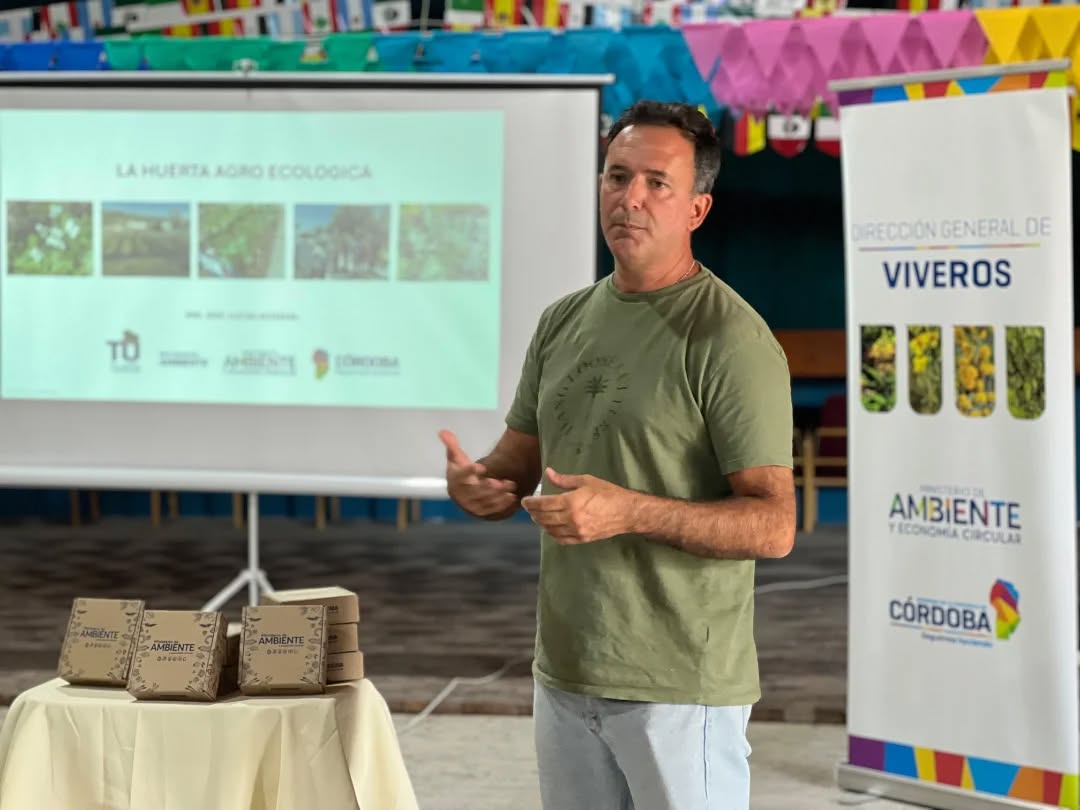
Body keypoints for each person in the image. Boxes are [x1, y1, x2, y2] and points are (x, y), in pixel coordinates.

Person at [438, 100, 796, 810]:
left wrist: (630, 510)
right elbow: (514, 463)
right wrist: (477, 486)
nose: (629, 198)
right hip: (567, 667)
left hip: (679, 684)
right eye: (616, 176)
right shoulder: (564, 321)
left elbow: (773, 526)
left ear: (697, 208)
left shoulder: (730, 339)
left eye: (656, 183)